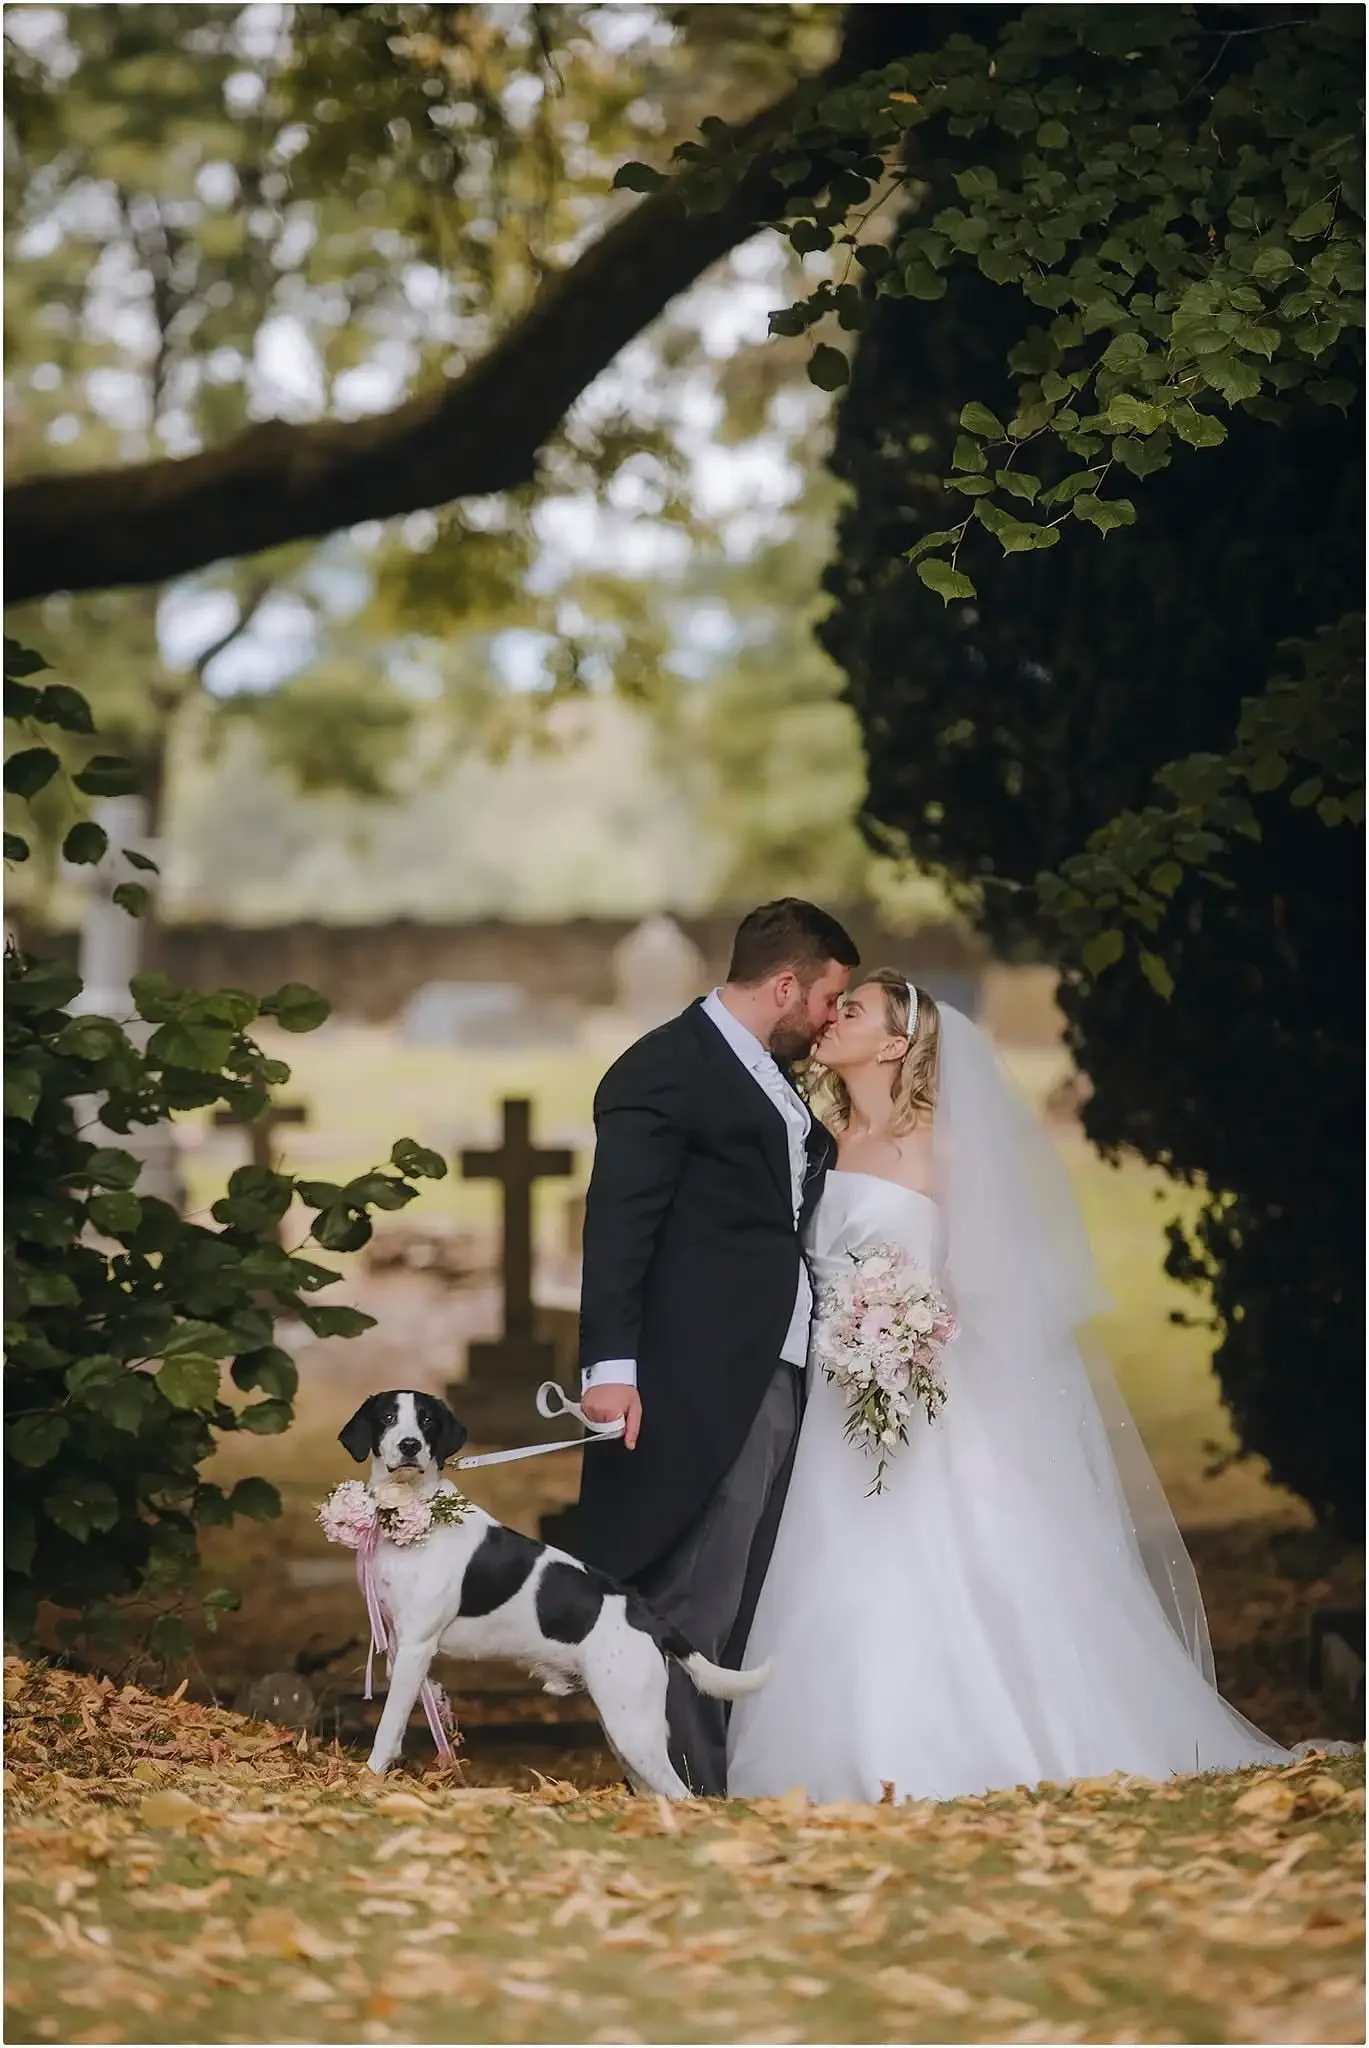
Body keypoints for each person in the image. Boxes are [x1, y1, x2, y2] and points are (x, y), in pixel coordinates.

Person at [728, 970, 1313, 1803]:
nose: (831, 1017)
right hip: (831, 1395)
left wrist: (908, 1332)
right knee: (828, 1555)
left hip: (917, 1393)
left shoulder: (945, 1150)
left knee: (935, 1554)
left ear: (896, 1043)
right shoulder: (820, 1141)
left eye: (851, 1010)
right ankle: (826, 1752)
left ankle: (952, 1742)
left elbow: (999, 1294)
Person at [575, 898, 859, 1794]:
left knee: (742, 1591)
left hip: (776, 1368)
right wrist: (611, 1371)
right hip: (694, 1373)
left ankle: (709, 1776)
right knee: (690, 1591)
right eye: (827, 999)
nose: (829, 1020)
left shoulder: (775, 1078)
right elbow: (618, 1227)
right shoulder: (661, 1069)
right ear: (786, 983)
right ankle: (675, 1787)